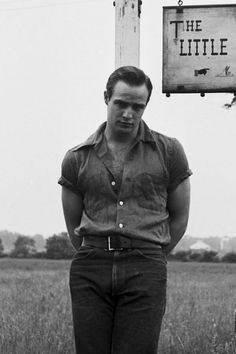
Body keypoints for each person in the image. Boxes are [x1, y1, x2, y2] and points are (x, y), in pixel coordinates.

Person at [58, 66, 192, 354]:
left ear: (145, 107)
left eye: (137, 106)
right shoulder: (76, 158)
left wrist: (149, 252)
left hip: (146, 266)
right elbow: (73, 224)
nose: (128, 113)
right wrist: (95, 250)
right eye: (121, 103)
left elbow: (179, 219)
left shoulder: (169, 151)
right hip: (91, 267)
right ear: (106, 98)